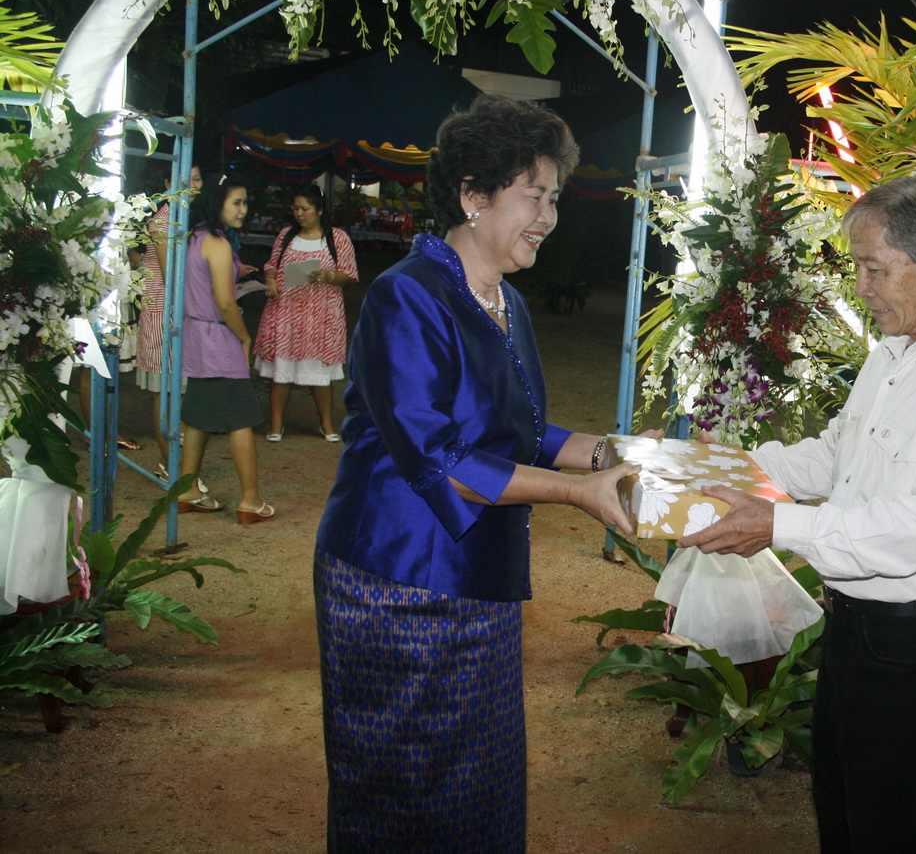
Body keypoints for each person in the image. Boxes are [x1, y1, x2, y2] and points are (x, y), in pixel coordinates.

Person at [314, 94, 642, 853]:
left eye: (554, 199)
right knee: (401, 784)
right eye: (534, 196)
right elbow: (440, 457)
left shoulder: (507, 302)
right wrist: (578, 493)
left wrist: (612, 452)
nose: (548, 217)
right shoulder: (408, 296)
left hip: (478, 578)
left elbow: (518, 434)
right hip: (398, 583)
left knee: (477, 778)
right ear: (472, 194)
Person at [680, 177, 916, 853]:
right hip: (855, 627)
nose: (861, 287)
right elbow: (836, 454)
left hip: (914, 643)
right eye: (858, 268)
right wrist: (734, 469)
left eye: (875, 269)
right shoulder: (893, 355)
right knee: (841, 806)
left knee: (888, 827)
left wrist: (777, 525)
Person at [176, 175, 275, 525]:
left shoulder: (193, 237)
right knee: (241, 419)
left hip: (196, 335)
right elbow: (225, 302)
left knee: (197, 416)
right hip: (218, 337)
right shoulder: (216, 243)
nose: (243, 210)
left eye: (245, 202)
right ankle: (250, 499)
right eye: (237, 202)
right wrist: (245, 338)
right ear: (218, 202)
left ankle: (188, 489)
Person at [253, 185, 358, 441]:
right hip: (285, 312)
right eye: (296, 209)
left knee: (320, 374)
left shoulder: (337, 238)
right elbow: (272, 265)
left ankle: (326, 424)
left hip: (321, 315)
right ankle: (276, 424)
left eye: (305, 209)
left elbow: (349, 274)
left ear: (319, 210)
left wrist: (329, 275)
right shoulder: (285, 236)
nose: (299, 214)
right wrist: (270, 280)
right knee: (282, 372)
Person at [135, 163, 203, 472]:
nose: (193, 185)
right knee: (164, 393)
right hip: (164, 313)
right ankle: (169, 464)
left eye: (197, 179)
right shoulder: (163, 221)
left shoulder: (187, 218)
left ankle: (179, 464)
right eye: (186, 180)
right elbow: (170, 275)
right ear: (167, 184)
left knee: (181, 393)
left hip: (182, 311)